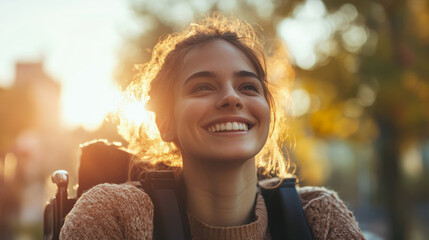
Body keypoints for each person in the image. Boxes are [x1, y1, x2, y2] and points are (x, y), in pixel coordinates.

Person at [60, 14, 365, 240]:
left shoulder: (320, 218)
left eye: (248, 87)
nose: (232, 98)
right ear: (165, 122)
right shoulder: (114, 214)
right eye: (203, 87)